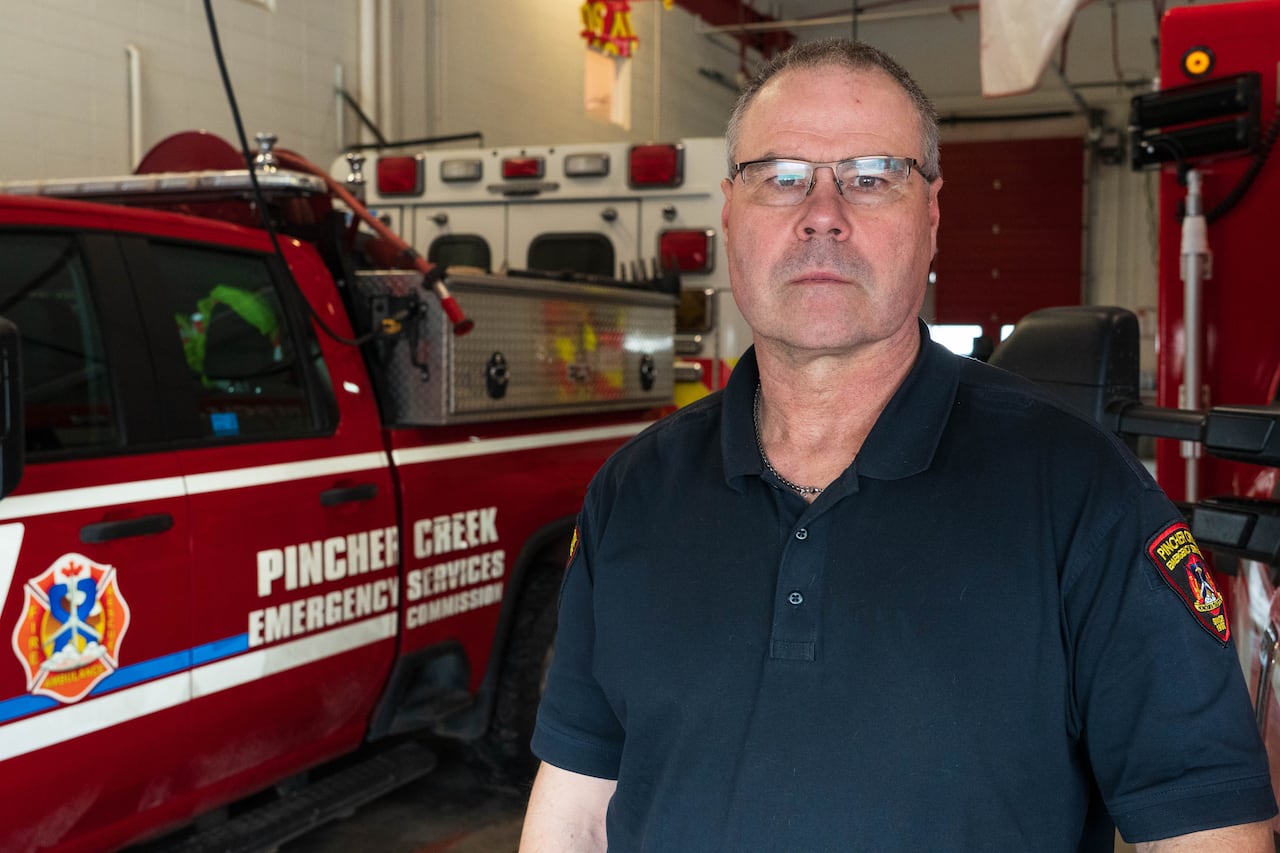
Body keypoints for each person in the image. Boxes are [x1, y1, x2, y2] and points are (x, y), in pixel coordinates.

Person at [519, 39, 1277, 852]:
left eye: (872, 176)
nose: (822, 212)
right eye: (781, 176)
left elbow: (1207, 831)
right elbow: (578, 808)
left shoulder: (1085, 494)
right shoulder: (633, 492)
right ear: (729, 213)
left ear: (933, 215)